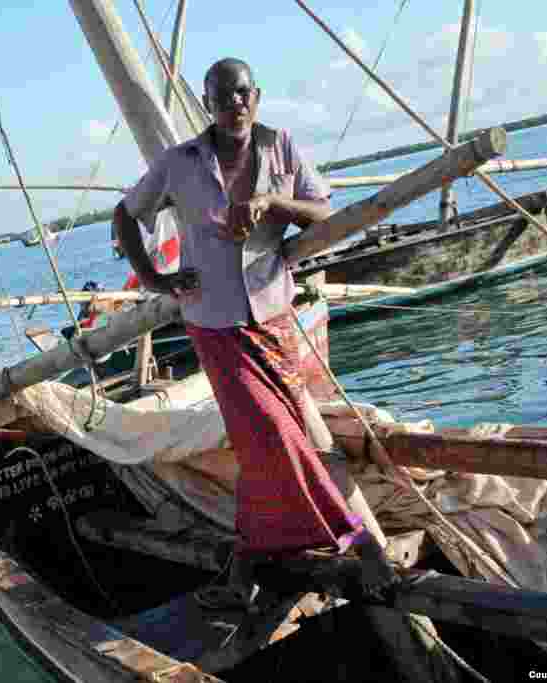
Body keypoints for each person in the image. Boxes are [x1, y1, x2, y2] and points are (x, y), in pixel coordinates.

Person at [112, 57, 398, 606]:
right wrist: (155, 279)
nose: (234, 103)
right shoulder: (179, 163)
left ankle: (243, 574)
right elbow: (125, 216)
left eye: (242, 92)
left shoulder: (281, 147)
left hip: (274, 319)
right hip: (214, 326)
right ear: (207, 105)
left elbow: (323, 213)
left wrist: (271, 203)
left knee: (260, 447)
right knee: (275, 434)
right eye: (222, 96)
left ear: (256, 96)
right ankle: (360, 543)